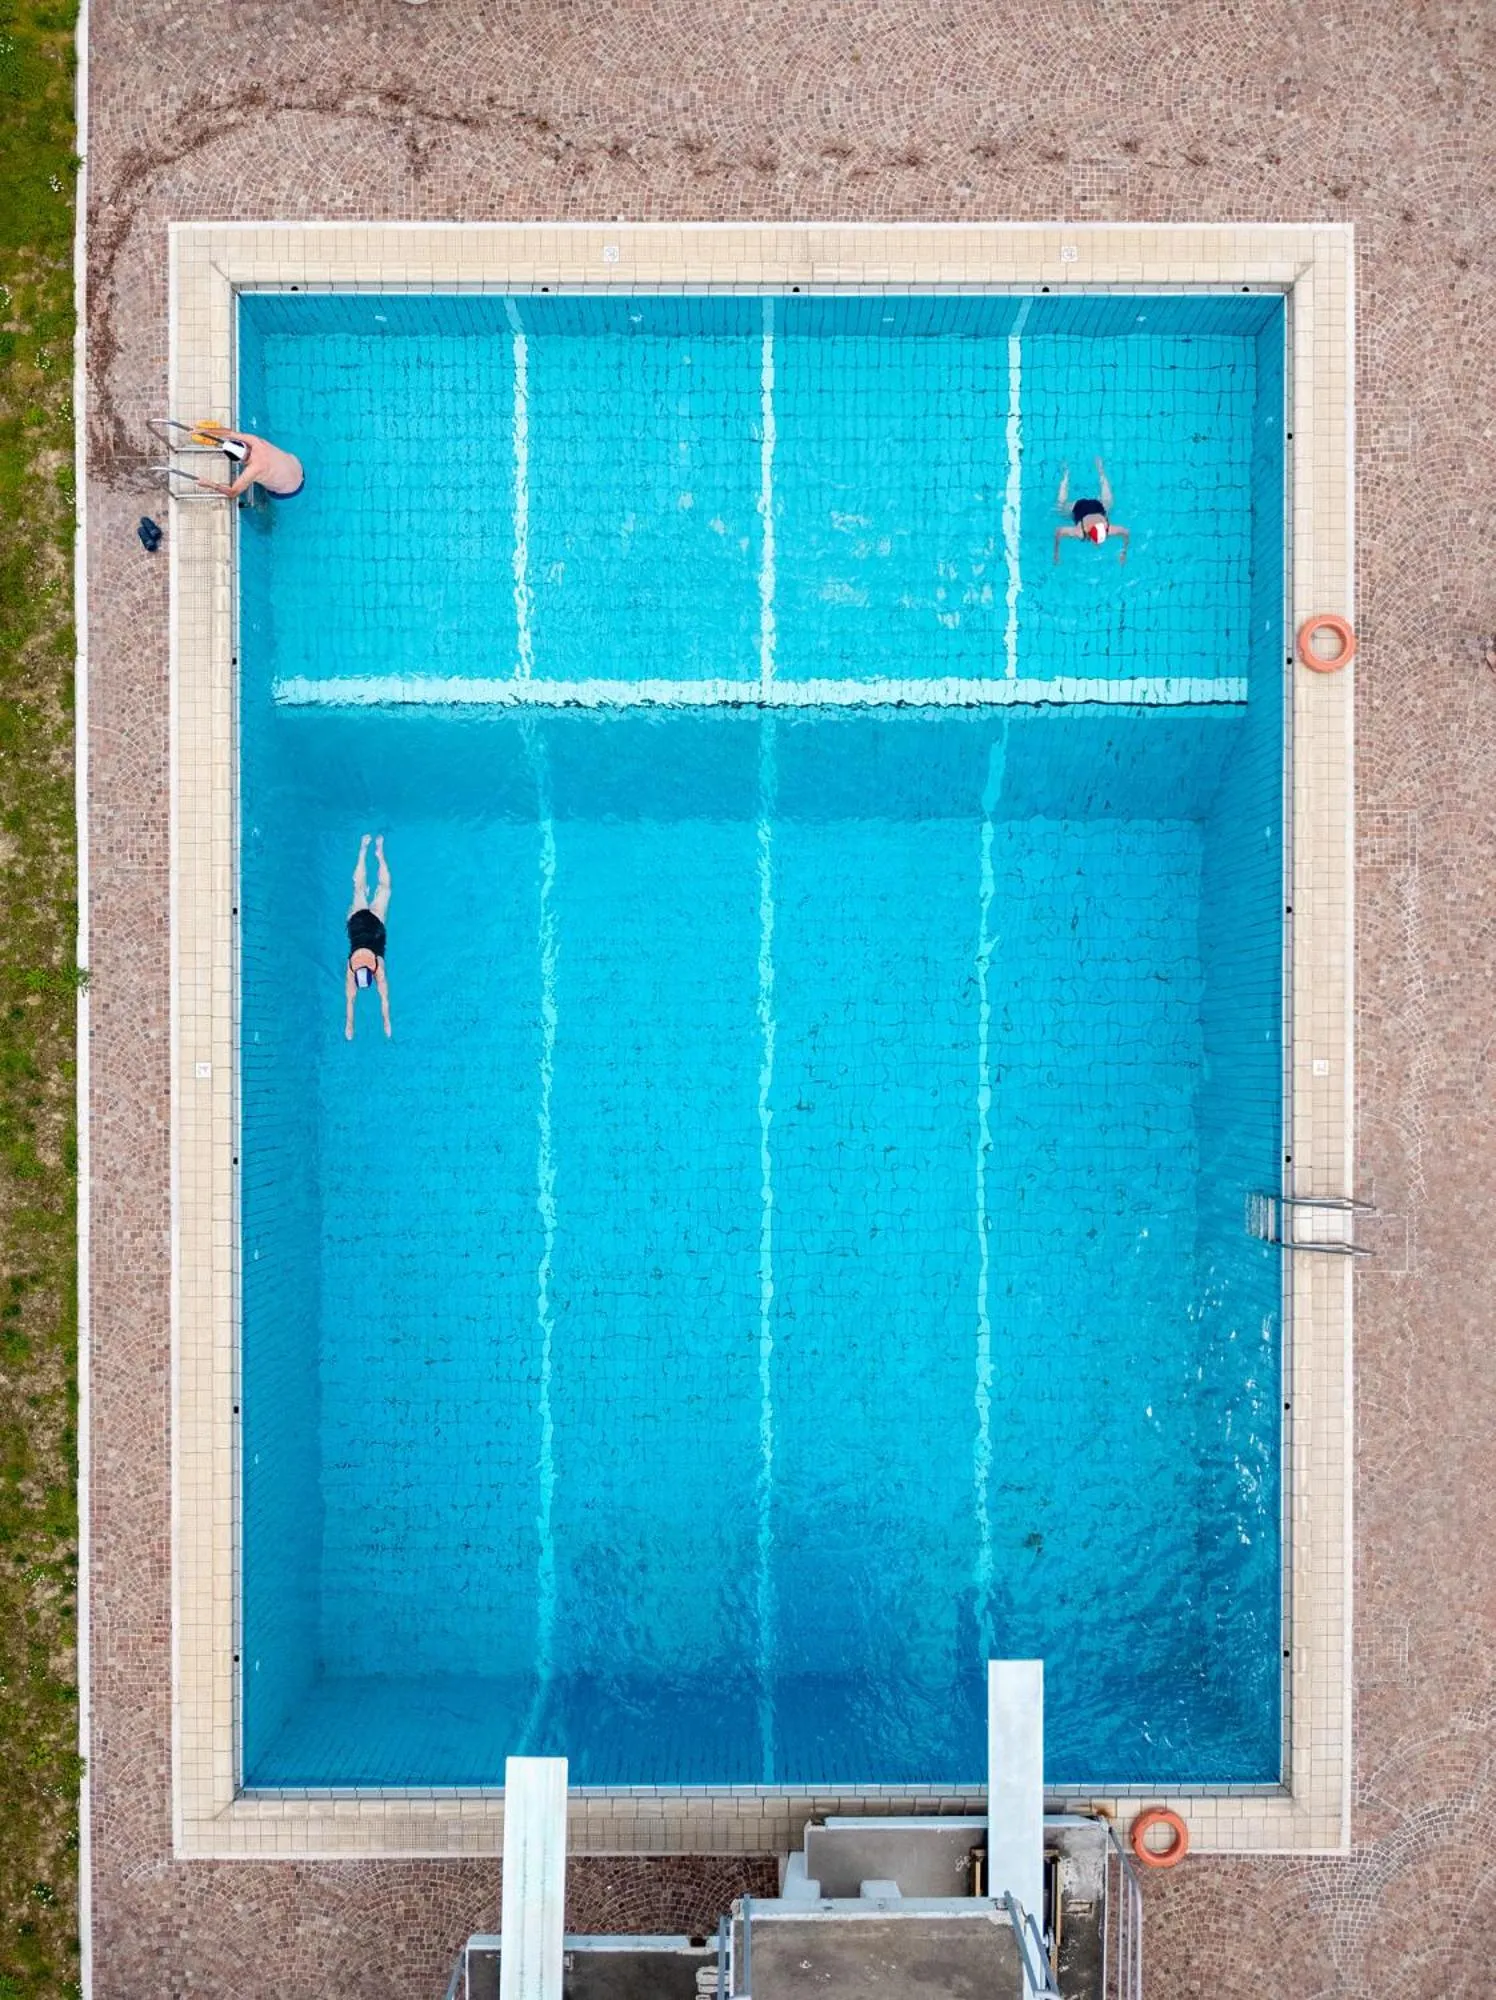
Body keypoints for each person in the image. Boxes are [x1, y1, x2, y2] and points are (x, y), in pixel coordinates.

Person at [345, 835, 392, 1040]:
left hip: (369, 926)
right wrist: (350, 1026)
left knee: (379, 889)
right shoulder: (359, 970)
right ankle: (371, 852)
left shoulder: (373, 970)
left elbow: (382, 1001)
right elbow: (352, 1004)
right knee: (365, 889)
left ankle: (371, 852)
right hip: (363, 924)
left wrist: (386, 1024)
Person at [190, 423, 305, 500]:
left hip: (291, 490)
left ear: (237, 461)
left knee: (264, 496)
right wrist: (206, 430)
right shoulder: (255, 441)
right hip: (298, 467)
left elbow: (233, 493)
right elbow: (230, 433)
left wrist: (210, 484)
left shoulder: (252, 470)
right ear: (244, 444)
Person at [1054, 458, 1129, 564]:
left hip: (1098, 507)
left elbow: (1126, 532)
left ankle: (1067, 474)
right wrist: (1056, 553)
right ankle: (1099, 470)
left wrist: (1124, 552)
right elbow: (1059, 531)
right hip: (1080, 507)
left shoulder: (1109, 529)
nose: (1098, 545)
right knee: (1060, 509)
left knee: (1108, 504)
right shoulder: (1079, 532)